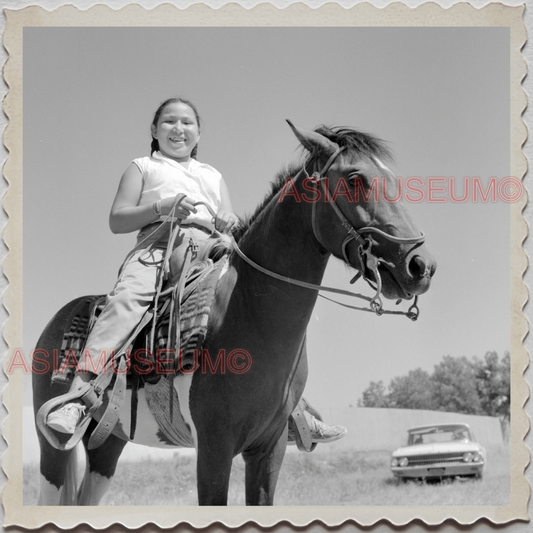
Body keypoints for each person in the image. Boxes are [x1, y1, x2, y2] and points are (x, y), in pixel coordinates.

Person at [47, 97, 347, 445]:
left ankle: (292, 407)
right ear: (154, 131)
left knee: (262, 306)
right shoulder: (143, 166)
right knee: (127, 300)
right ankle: (80, 394)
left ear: (199, 133)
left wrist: (228, 221)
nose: (178, 129)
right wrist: (161, 207)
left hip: (212, 251)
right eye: (169, 122)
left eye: (187, 123)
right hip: (158, 250)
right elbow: (117, 219)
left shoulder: (212, 175)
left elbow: (232, 220)